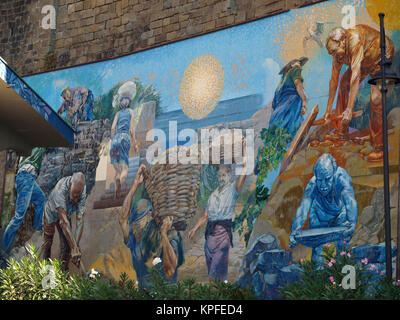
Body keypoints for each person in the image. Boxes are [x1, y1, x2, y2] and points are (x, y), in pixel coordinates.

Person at [323, 25, 395, 161]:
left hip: (381, 56)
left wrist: (349, 110)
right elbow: (334, 81)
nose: (335, 56)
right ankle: (341, 131)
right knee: (343, 83)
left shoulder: (355, 40)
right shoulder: (337, 53)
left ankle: (379, 148)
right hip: (365, 61)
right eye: (331, 53)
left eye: (335, 51)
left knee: (376, 99)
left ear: (343, 41)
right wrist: (328, 111)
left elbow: (355, 77)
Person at [188, 139, 248, 282]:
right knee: (215, 270)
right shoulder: (213, 196)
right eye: (219, 175)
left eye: (224, 175)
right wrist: (195, 228)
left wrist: (244, 148)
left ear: (230, 176)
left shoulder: (234, 189)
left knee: (214, 274)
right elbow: (206, 216)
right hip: (209, 238)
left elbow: (245, 167)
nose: (221, 178)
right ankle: (220, 292)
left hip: (223, 236)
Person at [118, 164, 184, 287]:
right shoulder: (134, 239)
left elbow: (170, 272)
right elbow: (122, 219)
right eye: (135, 221)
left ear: (150, 218)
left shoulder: (168, 235)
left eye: (141, 221)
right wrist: (135, 185)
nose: (136, 226)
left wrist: (164, 235)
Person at [289, 154, 358, 263]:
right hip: (319, 215)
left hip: (340, 215)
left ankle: (340, 275)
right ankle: (317, 276)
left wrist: (352, 222)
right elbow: (303, 208)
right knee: (318, 250)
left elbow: (350, 201)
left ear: (334, 173)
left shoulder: (341, 178)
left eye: (327, 179)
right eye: (320, 180)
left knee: (343, 247)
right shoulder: (312, 184)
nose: (323, 185)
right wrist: (294, 230)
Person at [2, 147, 46, 253]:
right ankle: (3, 249)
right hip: (26, 176)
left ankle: (38, 229)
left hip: (28, 177)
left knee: (41, 198)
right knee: (18, 217)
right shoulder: (37, 140)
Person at [39, 172, 86, 271]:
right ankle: (44, 274)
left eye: (78, 196)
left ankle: (62, 276)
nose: (75, 200)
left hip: (65, 215)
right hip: (51, 213)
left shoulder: (82, 190)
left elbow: (80, 221)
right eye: (74, 195)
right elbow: (63, 222)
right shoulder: (60, 189)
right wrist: (74, 247)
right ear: (70, 186)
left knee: (67, 247)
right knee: (47, 244)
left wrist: (75, 247)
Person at [110, 81, 139, 198]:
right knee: (125, 169)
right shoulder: (131, 112)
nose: (126, 101)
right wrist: (135, 143)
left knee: (117, 170)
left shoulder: (117, 114)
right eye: (125, 99)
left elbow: (112, 128)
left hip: (115, 140)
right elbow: (132, 130)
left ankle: (118, 183)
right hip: (124, 138)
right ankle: (121, 181)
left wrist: (113, 140)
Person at [268, 57, 308, 138]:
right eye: (298, 63)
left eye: (301, 64)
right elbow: (298, 86)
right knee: (294, 131)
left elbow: (274, 103)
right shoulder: (295, 70)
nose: (300, 66)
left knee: (278, 135)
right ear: (292, 65)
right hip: (291, 105)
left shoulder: (281, 83)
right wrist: (304, 100)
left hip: (278, 112)